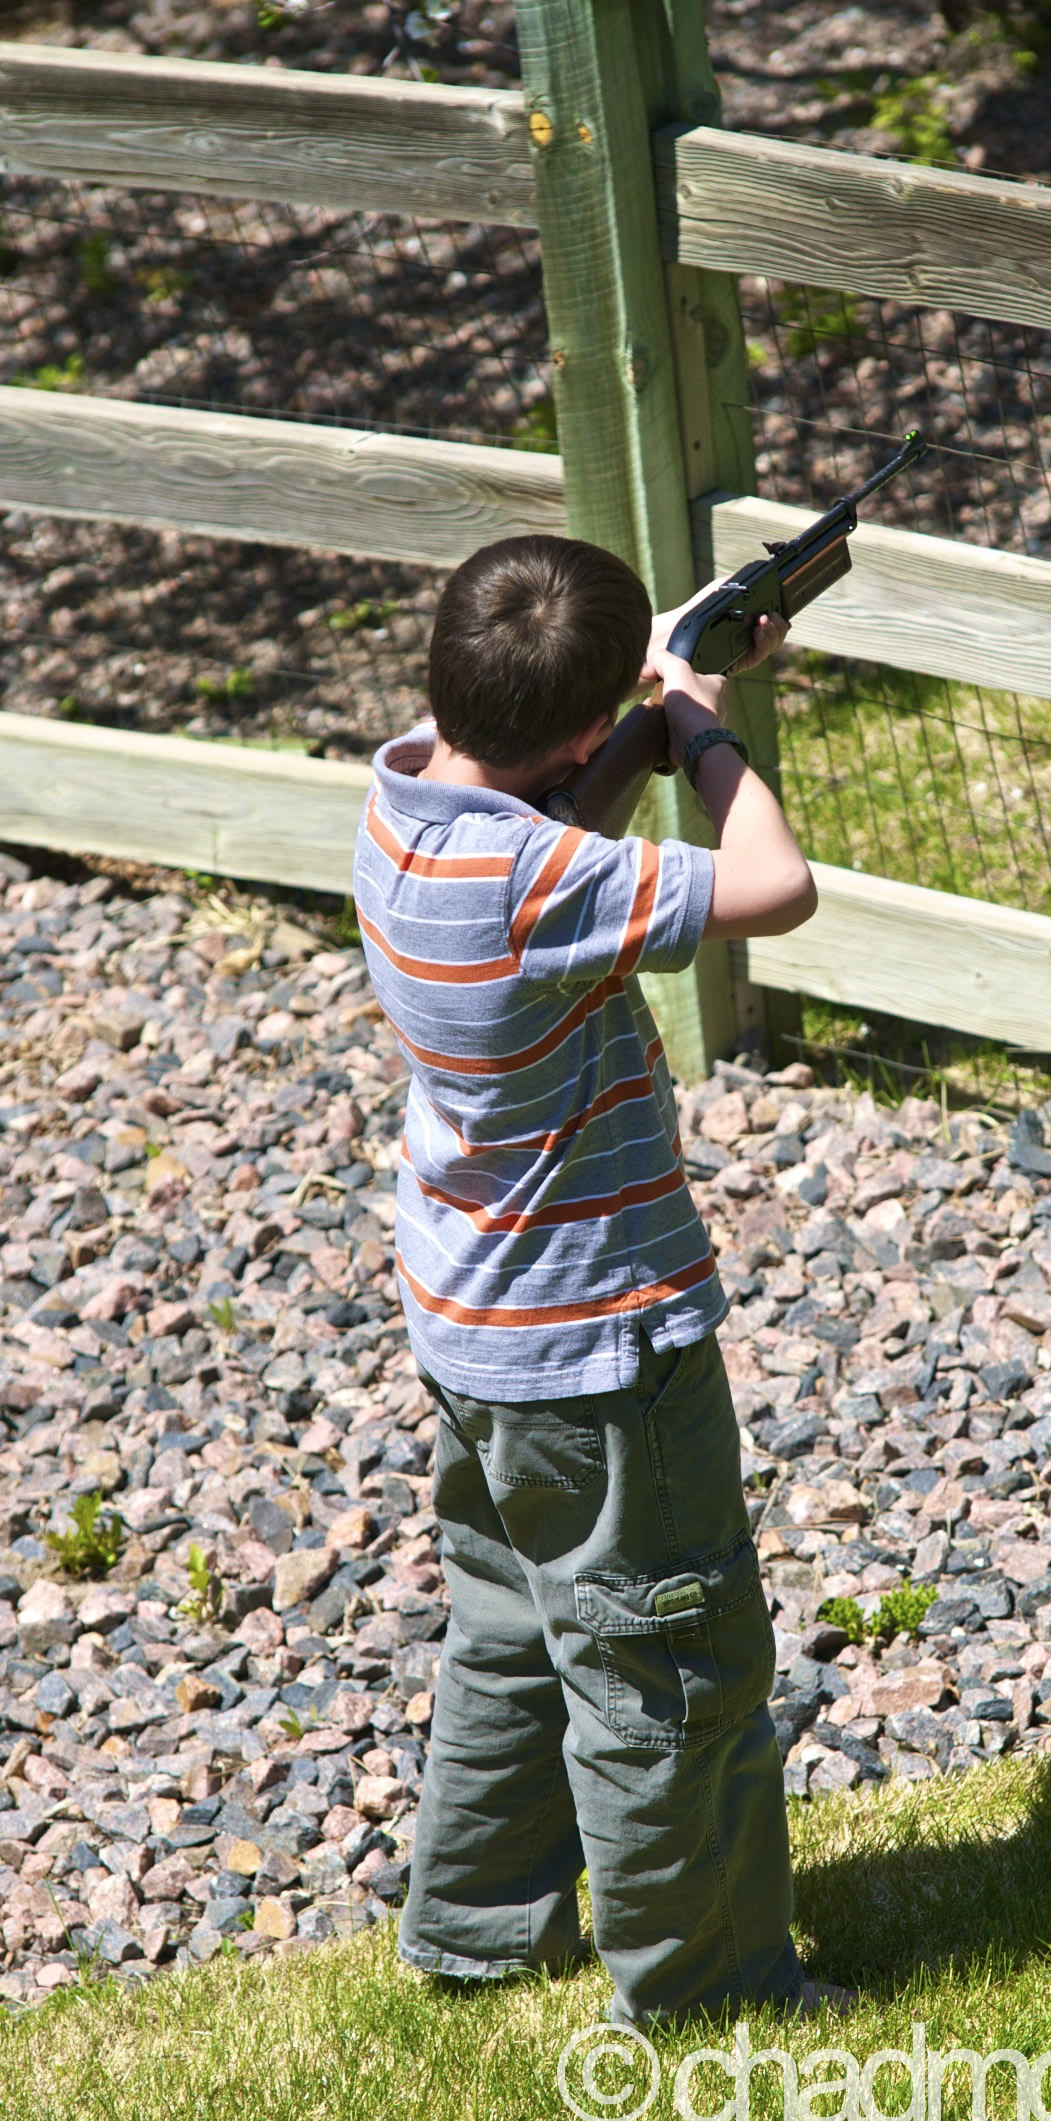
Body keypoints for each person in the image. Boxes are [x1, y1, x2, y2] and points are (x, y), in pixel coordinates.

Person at [353, 533, 845, 2025]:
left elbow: (549, 815)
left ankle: (476, 1926)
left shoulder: (399, 807)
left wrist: (627, 722)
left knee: (510, 1621)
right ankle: (713, 1993)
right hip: (598, 1344)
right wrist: (697, 718)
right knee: (669, 1668)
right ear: (570, 735)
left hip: (475, 1319)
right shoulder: (532, 879)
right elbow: (776, 884)